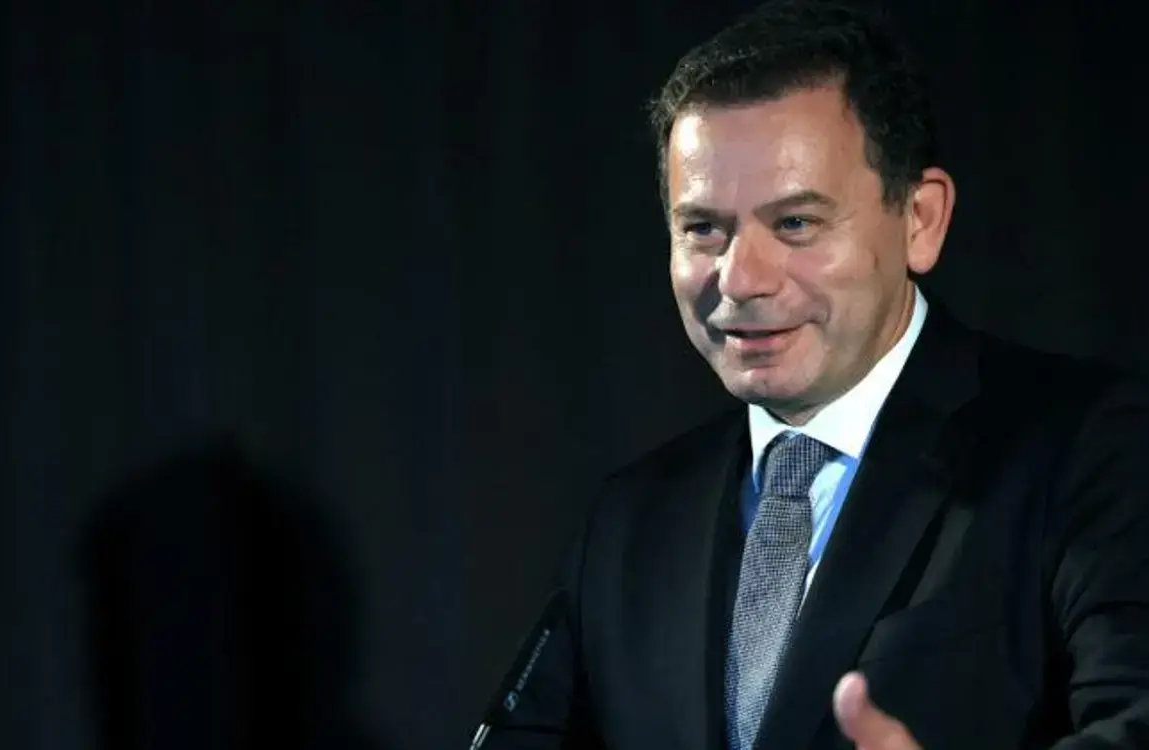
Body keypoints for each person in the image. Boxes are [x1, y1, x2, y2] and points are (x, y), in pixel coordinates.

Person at [469, 1, 1149, 748]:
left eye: (795, 223)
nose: (740, 279)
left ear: (919, 220)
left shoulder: (1093, 450)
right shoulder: (633, 521)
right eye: (703, 228)